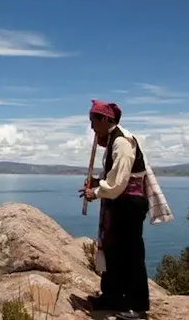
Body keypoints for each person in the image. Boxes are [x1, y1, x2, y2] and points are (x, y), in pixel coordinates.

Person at [78, 100, 150, 320]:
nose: (91, 127)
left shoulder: (122, 141)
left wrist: (97, 191)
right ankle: (112, 297)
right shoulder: (112, 140)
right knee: (112, 251)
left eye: (93, 121)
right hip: (120, 202)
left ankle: (136, 305)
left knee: (130, 253)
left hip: (129, 204)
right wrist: (98, 181)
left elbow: (119, 182)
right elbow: (114, 178)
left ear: (105, 119)